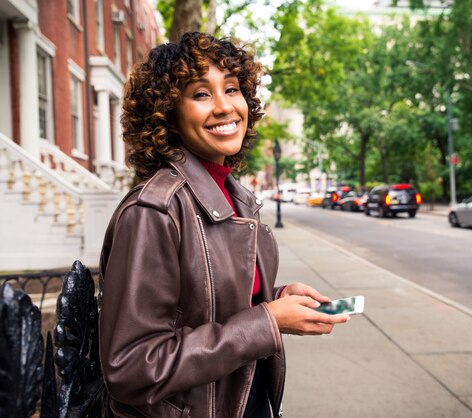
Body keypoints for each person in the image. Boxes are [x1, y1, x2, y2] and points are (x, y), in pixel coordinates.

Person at [98, 32, 350, 418]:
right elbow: (132, 365)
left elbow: (205, 305)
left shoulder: (236, 196)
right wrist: (266, 322)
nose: (224, 107)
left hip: (246, 397)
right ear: (168, 112)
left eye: (231, 89)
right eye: (201, 94)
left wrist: (276, 298)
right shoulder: (155, 210)